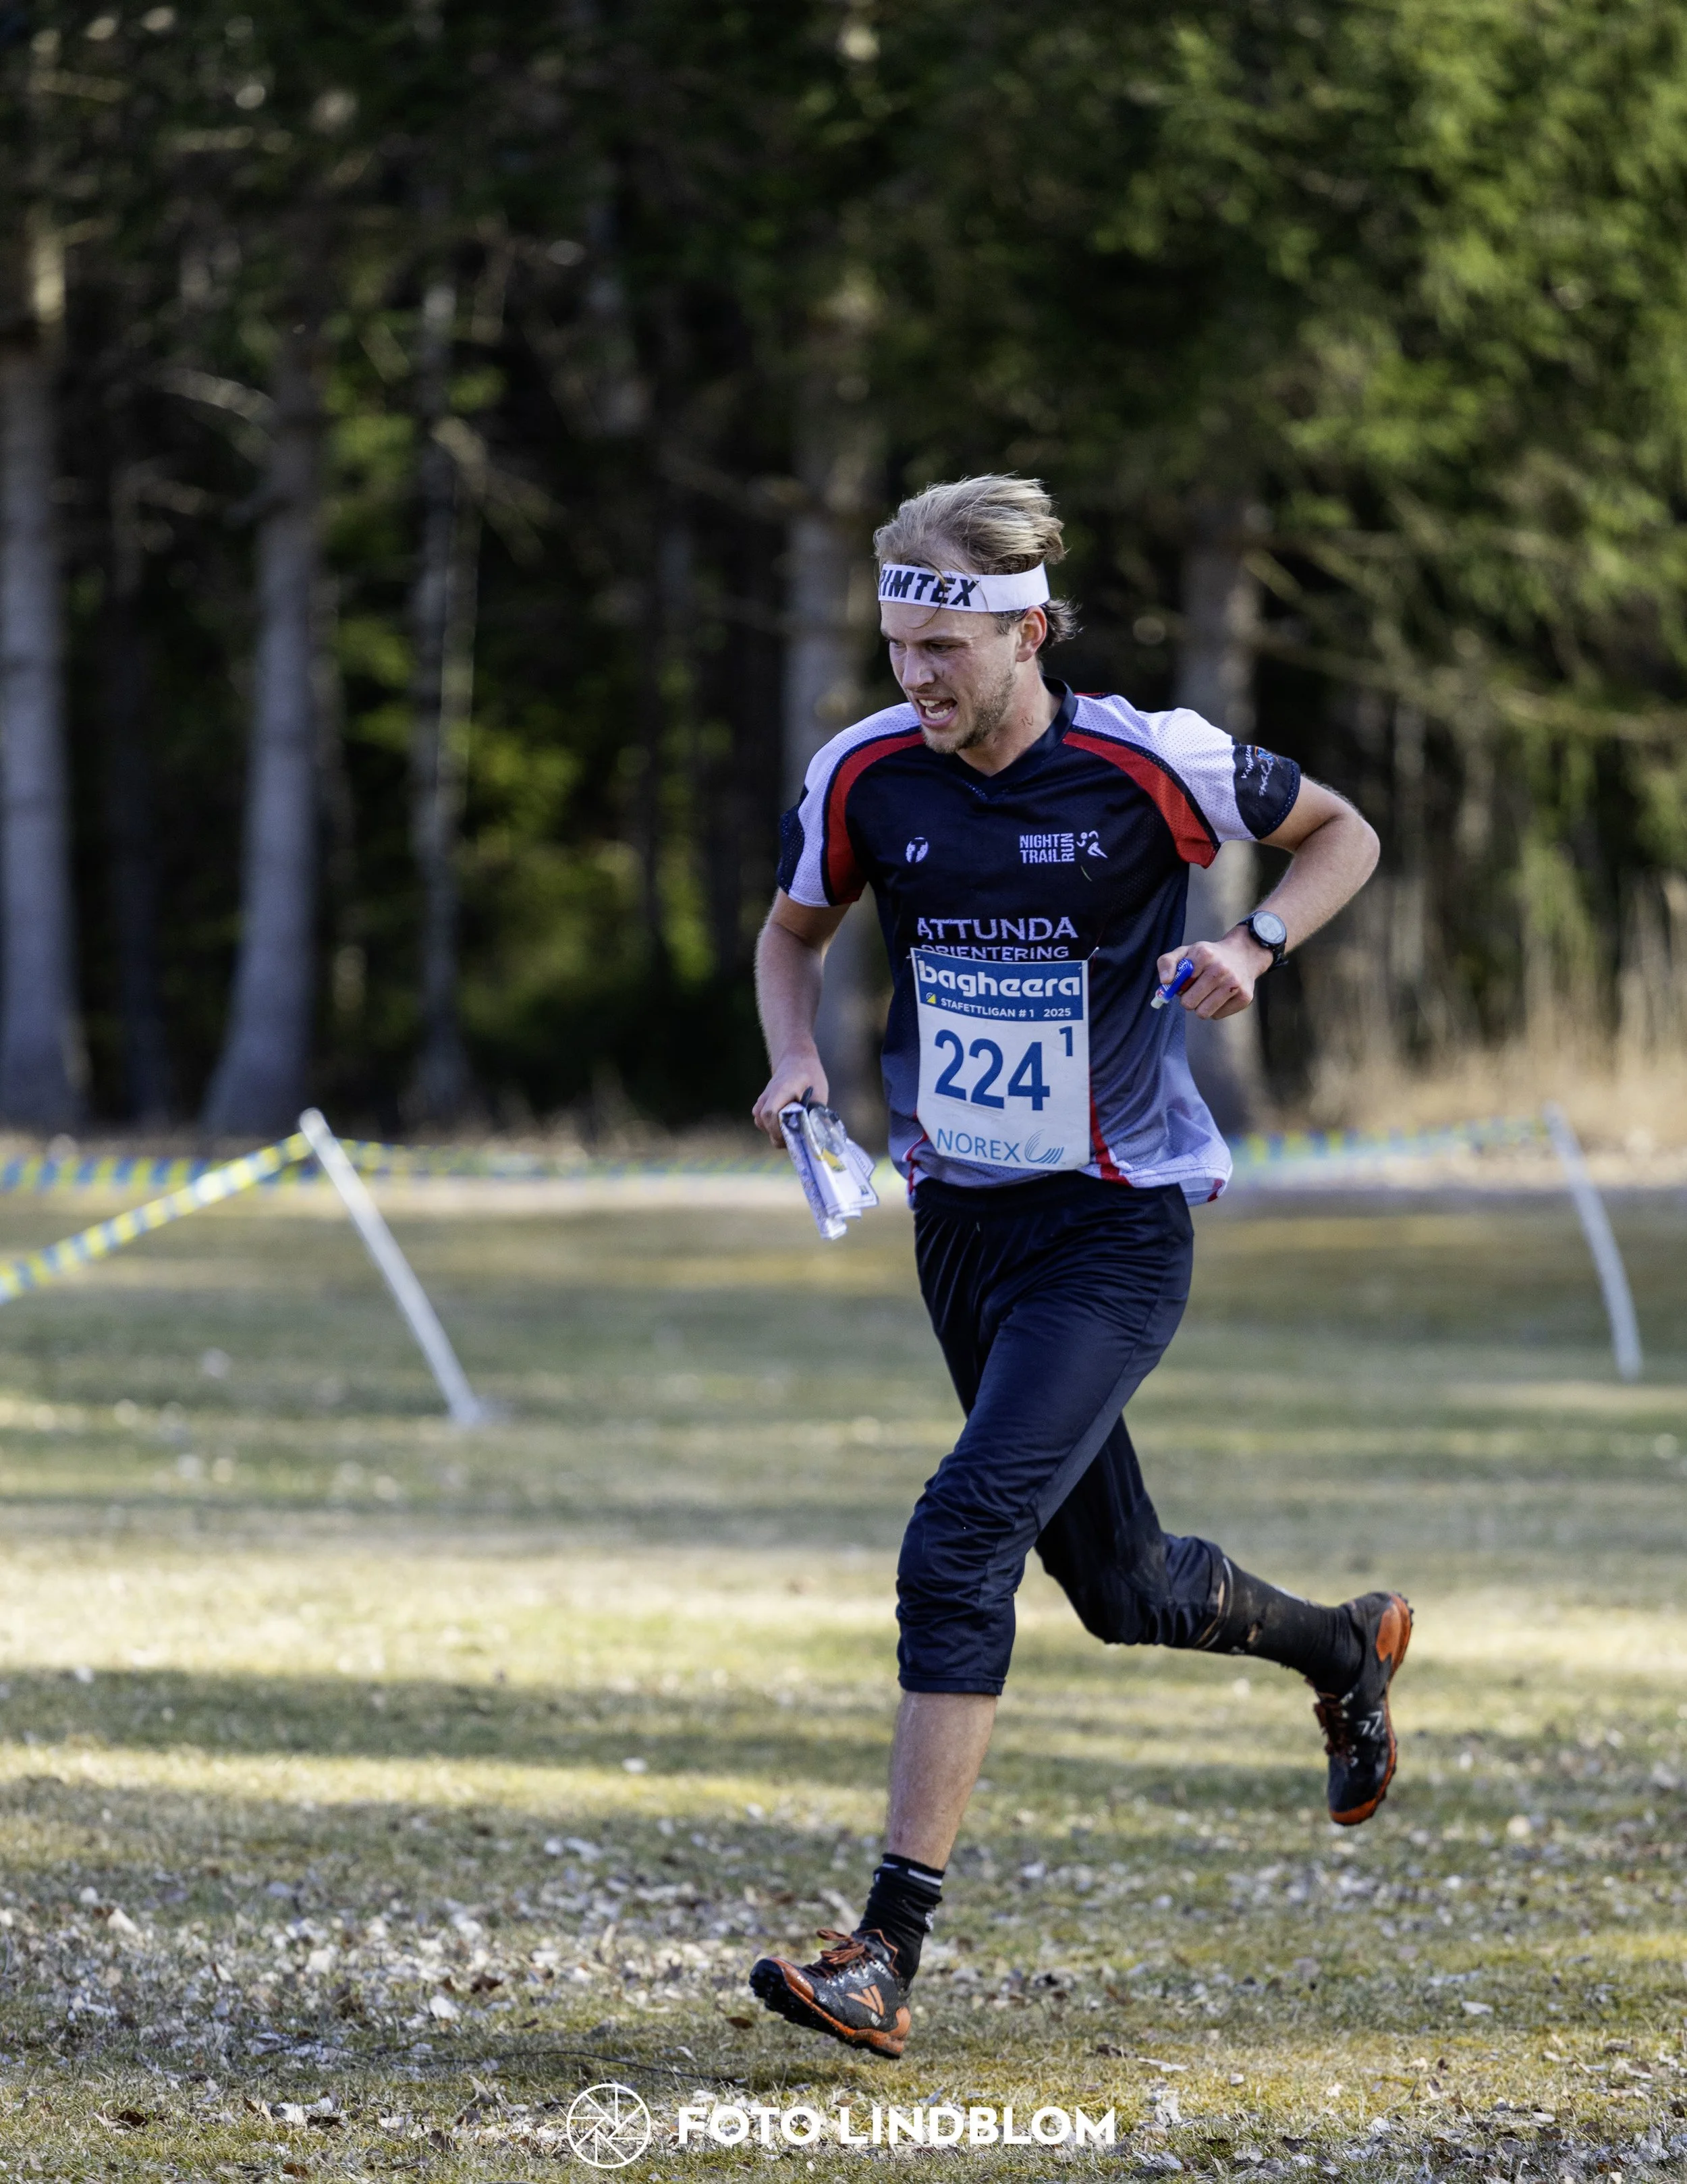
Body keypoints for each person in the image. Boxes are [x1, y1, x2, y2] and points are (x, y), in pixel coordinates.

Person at [746, 474, 1408, 2061]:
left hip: (1111, 1230)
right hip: (960, 1232)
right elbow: (791, 936)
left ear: (1024, 631)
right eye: (898, 645)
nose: (916, 678)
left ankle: (884, 1947)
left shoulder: (1148, 760)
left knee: (957, 1535)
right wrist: (789, 1066)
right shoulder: (864, 772)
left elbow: (1342, 833)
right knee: (1116, 1590)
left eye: (944, 652)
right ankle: (1340, 1644)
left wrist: (1251, 949)